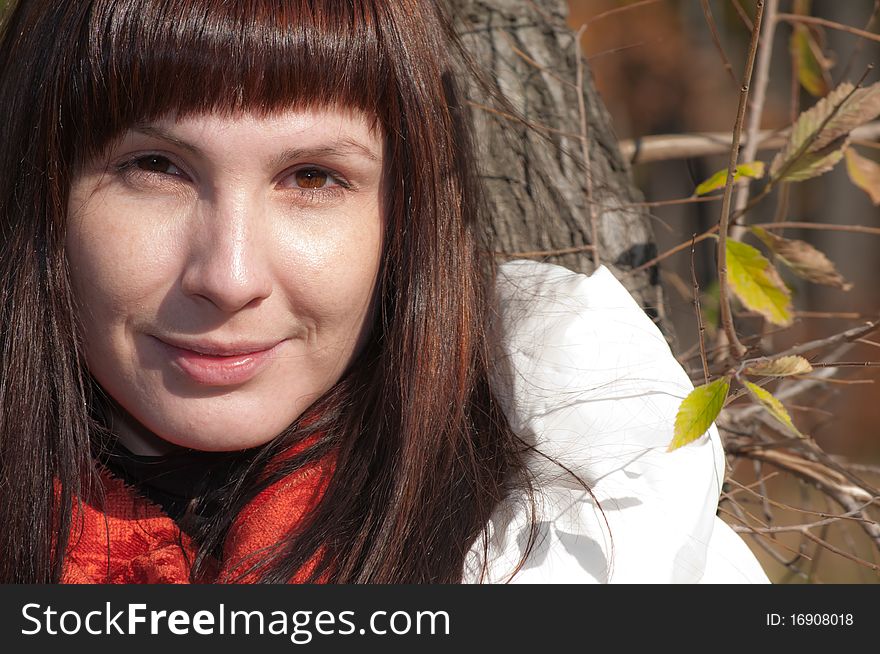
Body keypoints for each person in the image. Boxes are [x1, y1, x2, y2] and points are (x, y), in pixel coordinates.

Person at [0, 0, 768, 584]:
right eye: (157, 168)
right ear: (44, 193)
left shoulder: (612, 542)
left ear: (403, 220)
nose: (228, 277)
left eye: (311, 177)